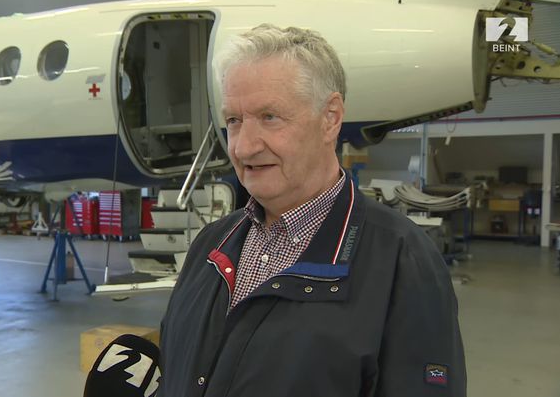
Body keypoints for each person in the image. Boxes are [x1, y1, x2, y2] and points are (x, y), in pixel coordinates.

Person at [159, 24, 466, 397]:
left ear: (330, 118)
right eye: (234, 121)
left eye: (270, 116)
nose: (242, 147)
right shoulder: (210, 246)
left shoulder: (403, 261)